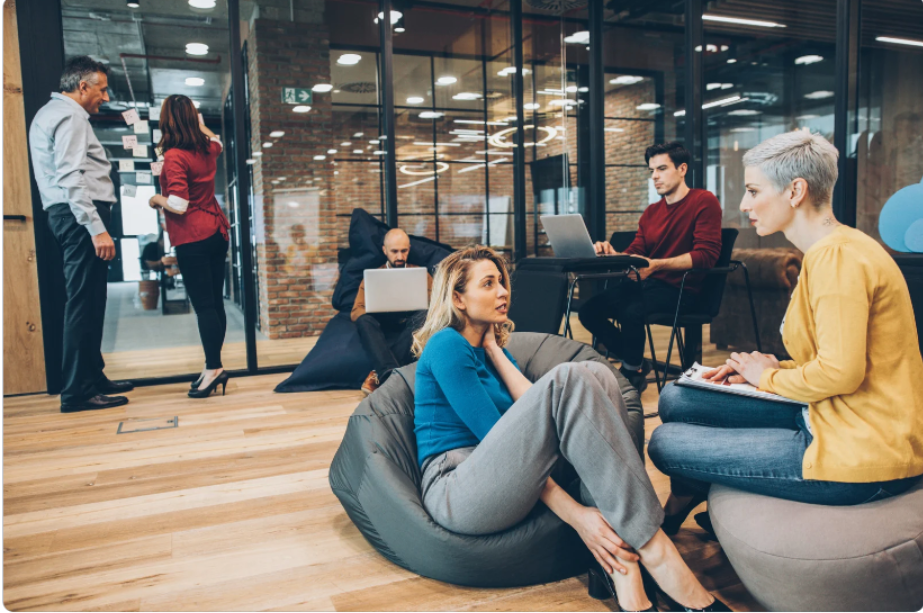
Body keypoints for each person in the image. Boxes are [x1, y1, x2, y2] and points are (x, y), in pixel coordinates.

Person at [412, 246, 730, 612]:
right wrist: (579, 518)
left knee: (596, 374)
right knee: (570, 377)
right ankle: (656, 552)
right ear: (458, 298)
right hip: (459, 488)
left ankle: (622, 570)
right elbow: (501, 439)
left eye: (501, 282)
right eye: (488, 284)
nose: (503, 292)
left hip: (502, 474)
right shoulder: (446, 346)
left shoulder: (490, 348)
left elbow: (537, 411)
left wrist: (494, 349)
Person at [648, 130, 923, 536]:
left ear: (795, 190)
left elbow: (841, 373)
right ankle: (692, 493)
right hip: (830, 409)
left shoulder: (838, 259)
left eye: (754, 191)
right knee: (677, 397)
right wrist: (773, 367)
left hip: (860, 447)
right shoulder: (829, 250)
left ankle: (683, 499)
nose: (744, 204)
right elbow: (837, 357)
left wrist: (768, 378)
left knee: (664, 444)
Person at [28, 56, 134, 413]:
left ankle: (92, 376)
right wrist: (96, 228)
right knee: (83, 304)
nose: (104, 96)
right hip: (78, 217)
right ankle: (77, 392)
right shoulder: (71, 115)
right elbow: (71, 177)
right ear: (82, 86)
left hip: (67, 216)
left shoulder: (50, 113)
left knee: (91, 302)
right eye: (101, 89)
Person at [578, 142, 722, 392]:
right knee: (589, 310)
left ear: (682, 169)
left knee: (630, 311)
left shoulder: (703, 201)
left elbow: (706, 256)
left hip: (682, 290)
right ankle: (637, 362)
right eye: (651, 170)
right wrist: (614, 253)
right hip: (649, 285)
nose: (654, 176)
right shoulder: (651, 212)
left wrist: (656, 266)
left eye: (662, 168)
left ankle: (631, 372)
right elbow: (637, 252)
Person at [148, 94, 231, 399]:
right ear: (193, 119)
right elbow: (218, 141)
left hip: (192, 235)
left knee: (204, 306)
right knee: (215, 304)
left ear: (167, 120)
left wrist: (154, 199)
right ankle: (215, 366)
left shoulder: (174, 155)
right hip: (217, 231)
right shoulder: (207, 148)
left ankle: (213, 368)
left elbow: (179, 205)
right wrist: (203, 126)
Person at [352, 228, 432, 395]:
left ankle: (383, 376)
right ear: (384, 250)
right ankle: (393, 378)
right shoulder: (373, 277)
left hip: (410, 325)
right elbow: (356, 311)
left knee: (425, 316)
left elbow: (435, 306)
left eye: (404, 251)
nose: (400, 257)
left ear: (409, 249)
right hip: (383, 325)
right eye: (394, 251)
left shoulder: (422, 275)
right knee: (364, 320)